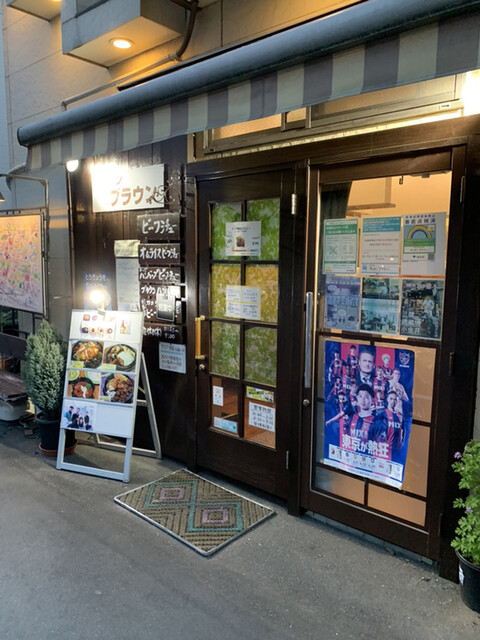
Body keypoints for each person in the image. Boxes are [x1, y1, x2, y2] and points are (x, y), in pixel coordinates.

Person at [371, 390, 405, 460]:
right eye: (391, 399)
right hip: (383, 450)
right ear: (387, 399)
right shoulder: (382, 413)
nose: (393, 401)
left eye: (395, 399)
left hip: (396, 450)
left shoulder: (399, 415)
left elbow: (402, 431)